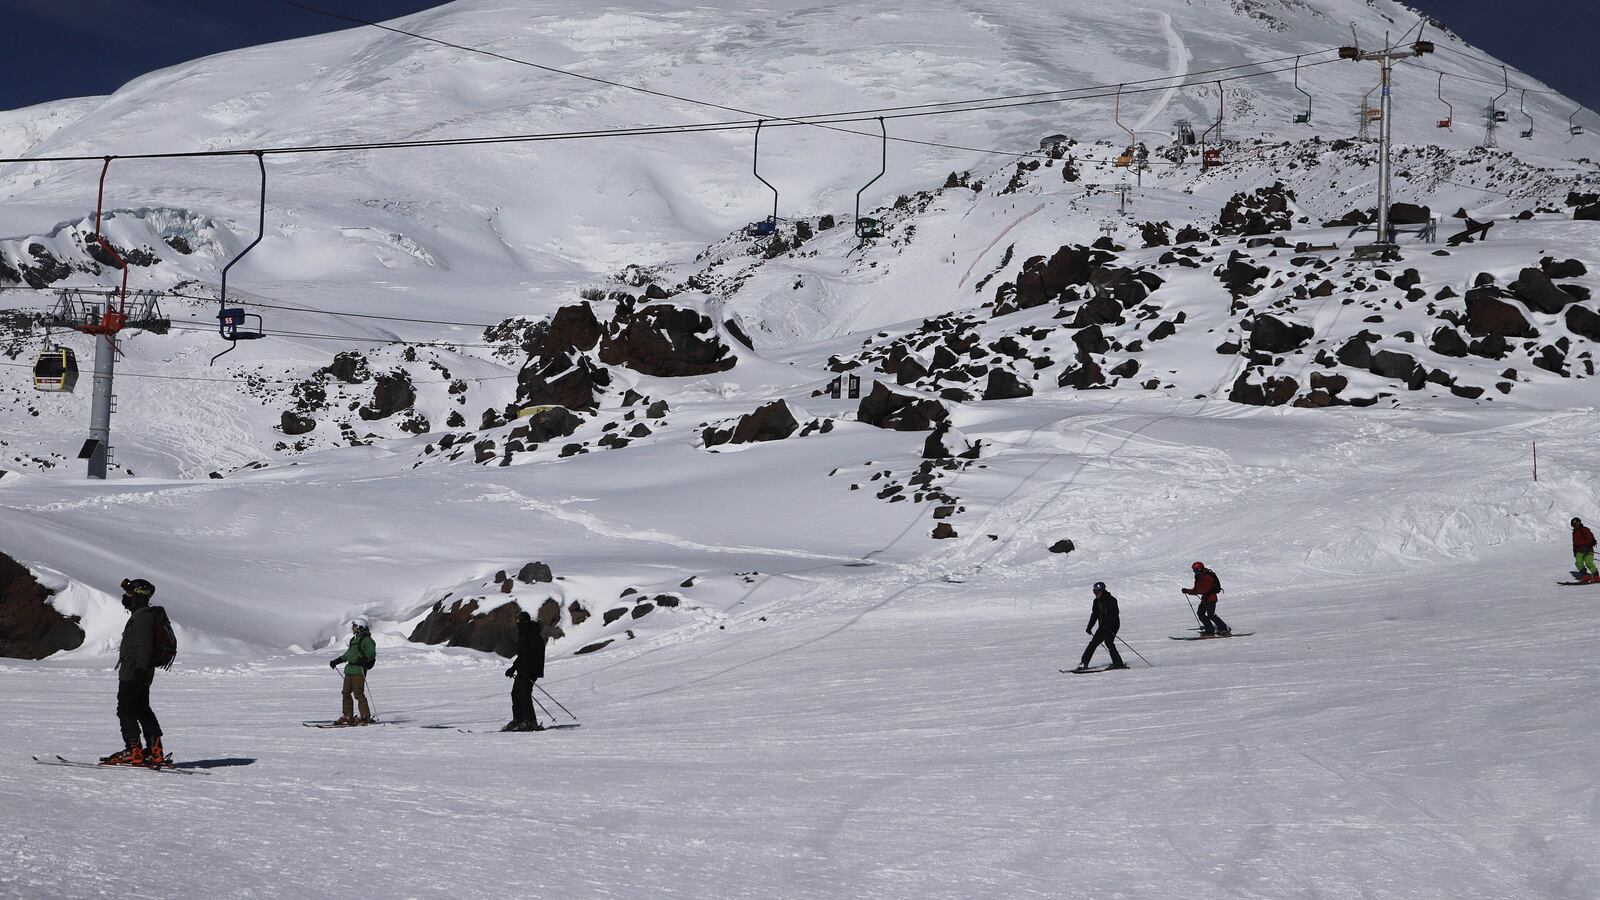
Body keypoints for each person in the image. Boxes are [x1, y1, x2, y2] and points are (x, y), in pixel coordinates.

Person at [102, 579, 165, 766]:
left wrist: (139, 672)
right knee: (141, 708)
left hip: (135, 672)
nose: (125, 597)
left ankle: (133, 749)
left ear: (138, 596)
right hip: (138, 671)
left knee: (125, 709)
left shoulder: (143, 617)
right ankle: (155, 750)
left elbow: (145, 647)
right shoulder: (142, 615)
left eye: (129, 594)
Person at [503, 608, 550, 732]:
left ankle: (530, 721)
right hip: (523, 670)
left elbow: (536, 654)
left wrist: (529, 670)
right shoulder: (524, 634)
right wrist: (513, 669)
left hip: (529, 671)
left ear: (524, 621)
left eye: (519, 620)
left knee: (524, 694)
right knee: (515, 694)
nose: (517, 623)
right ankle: (519, 720)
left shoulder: (532, 634)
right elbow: (522, 655)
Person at [329, 616, 377, 726]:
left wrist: (364, 659)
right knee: (345, 693)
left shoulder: (367, 640)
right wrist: (337, 661)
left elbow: (371, 653)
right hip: (349, 670)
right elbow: (349, 654)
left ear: (360, 627)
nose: (352, 628)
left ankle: (365, 717)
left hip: (358, 670)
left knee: (358, 694)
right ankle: (347, 716)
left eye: (354, 626)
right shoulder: (354, 639)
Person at [1075, 582, 1127, 671]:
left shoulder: (1112, 600)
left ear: (1102, 591)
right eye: (1094, 592)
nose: (1096, 594)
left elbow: (1114, 615)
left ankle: (1117, 663)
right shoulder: (1096, 601)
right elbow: (1094, 615)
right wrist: (1089, 627)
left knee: (1107, 642)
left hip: (1113, 626)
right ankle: (1084, 663)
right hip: (1103, 626)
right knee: (1095, 643)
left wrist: (1109, 627)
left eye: (1097, 592)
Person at [1183, 561, 1230, 636]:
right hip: (1205, 599)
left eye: (1195, 570)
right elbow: (1197, 589)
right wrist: (1188, 591)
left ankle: (1224, 628)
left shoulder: (1207, 577)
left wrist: (1190, 591)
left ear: (1199, 569)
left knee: (1211, 614)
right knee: (1201, 613)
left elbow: (1204, 589)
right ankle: (1210, 630)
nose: (1194, 572)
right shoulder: (1199, 577)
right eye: (1193, 570)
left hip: (1211, 598)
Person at [1573, 517, 1598, 583]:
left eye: (1575, 524)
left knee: (1588, 562)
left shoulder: (1585, 530)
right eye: (1573, 525)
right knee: (1578, 563)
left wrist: (1586, 547)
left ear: (1578, 523)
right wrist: (1574, 551)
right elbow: (1574, 543)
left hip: (1588, 550)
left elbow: (1590, 539)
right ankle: (1586, 576)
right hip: (1579, 551)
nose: (1574, 526)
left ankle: (1596, 576)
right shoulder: (1574, 533)